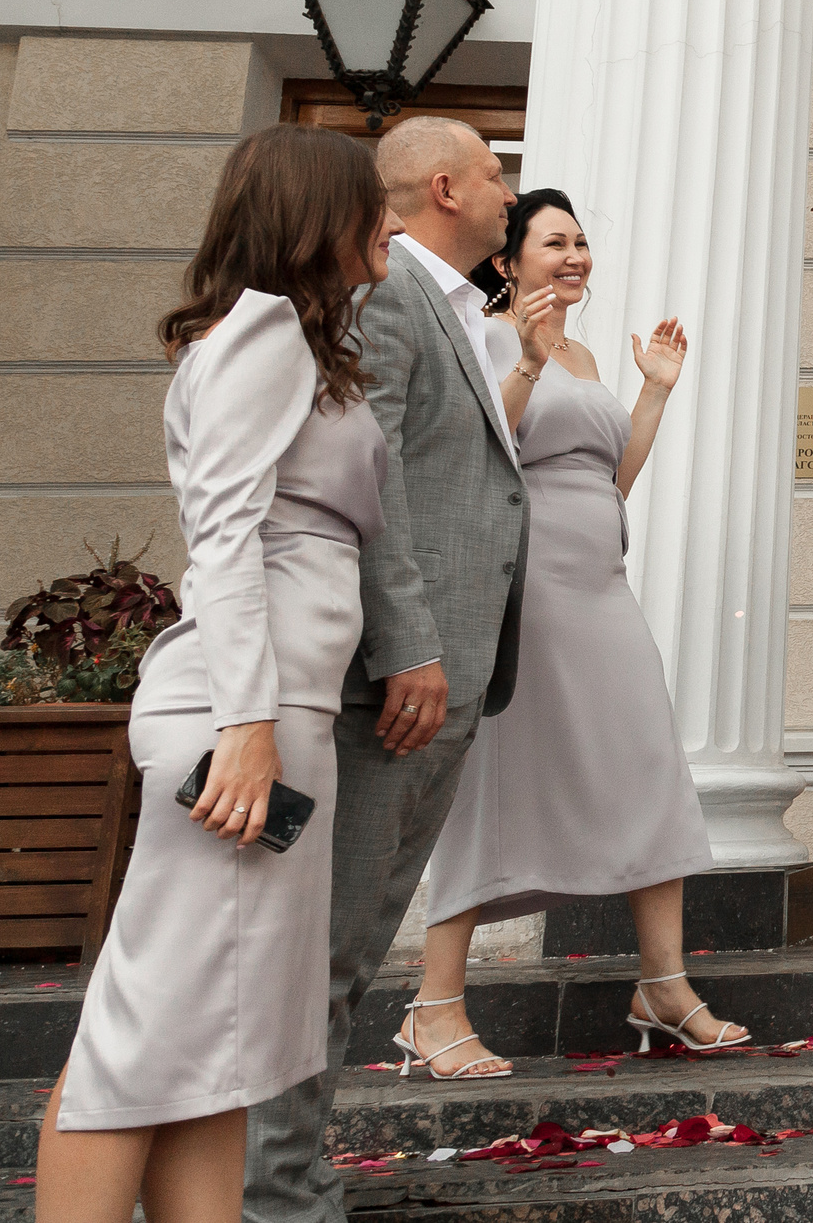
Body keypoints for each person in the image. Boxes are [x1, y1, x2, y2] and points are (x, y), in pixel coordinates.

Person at [36, 125, 394, 1223]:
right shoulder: (266, 331)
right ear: (319, 216)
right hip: (240, 719)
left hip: (278, 715)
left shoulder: (301, 343)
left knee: (226, 1046)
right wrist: (246, 727)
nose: (387, 221)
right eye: (370, 202)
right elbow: (227, 536)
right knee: (144, 1038)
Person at [245, 116, 531, 1223]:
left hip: (443, 673)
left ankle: (285, 1175)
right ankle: (273, 1189)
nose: (510, 193)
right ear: (446, 187)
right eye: (497, 175)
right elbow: (379, 480)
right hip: (397, 682)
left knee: (356, 946)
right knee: (327, 946)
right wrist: (408, 641)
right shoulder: (392, 293)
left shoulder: (452, 303)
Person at [399, 190, 734, 1078]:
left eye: (582, 241)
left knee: (648, 760)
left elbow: (610, 478)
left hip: (599, 585)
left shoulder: (583, 352)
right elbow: (478, 449)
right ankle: (433, 1004)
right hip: (526, 588)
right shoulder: (486, 337)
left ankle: (662, 984)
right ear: (507, 261)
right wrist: (527, 361)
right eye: (555, 242)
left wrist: (653, 392)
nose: (577, 255)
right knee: (495, 781)